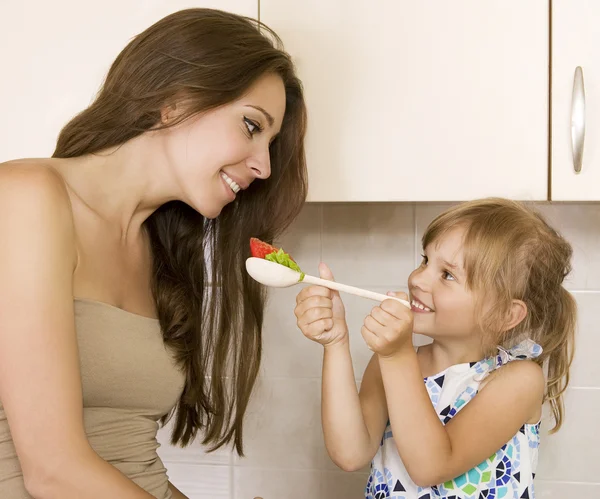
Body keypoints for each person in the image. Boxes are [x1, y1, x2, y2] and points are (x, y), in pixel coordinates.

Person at [0, 8, 307, 499]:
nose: (264, 167)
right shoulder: (25, 196)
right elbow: (52, 471)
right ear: (174, 101)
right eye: (252, 126)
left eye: (271, 143)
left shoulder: (159, 247)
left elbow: (134, 463)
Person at [295, 198, 576, 498]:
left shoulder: (518, 380)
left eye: (447, 275)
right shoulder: (390, 363)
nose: (417, 279)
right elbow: (350, 453)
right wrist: (336, 342)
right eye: (425, 260)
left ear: (506, 314)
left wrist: (397, 355)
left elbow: (432, 466)